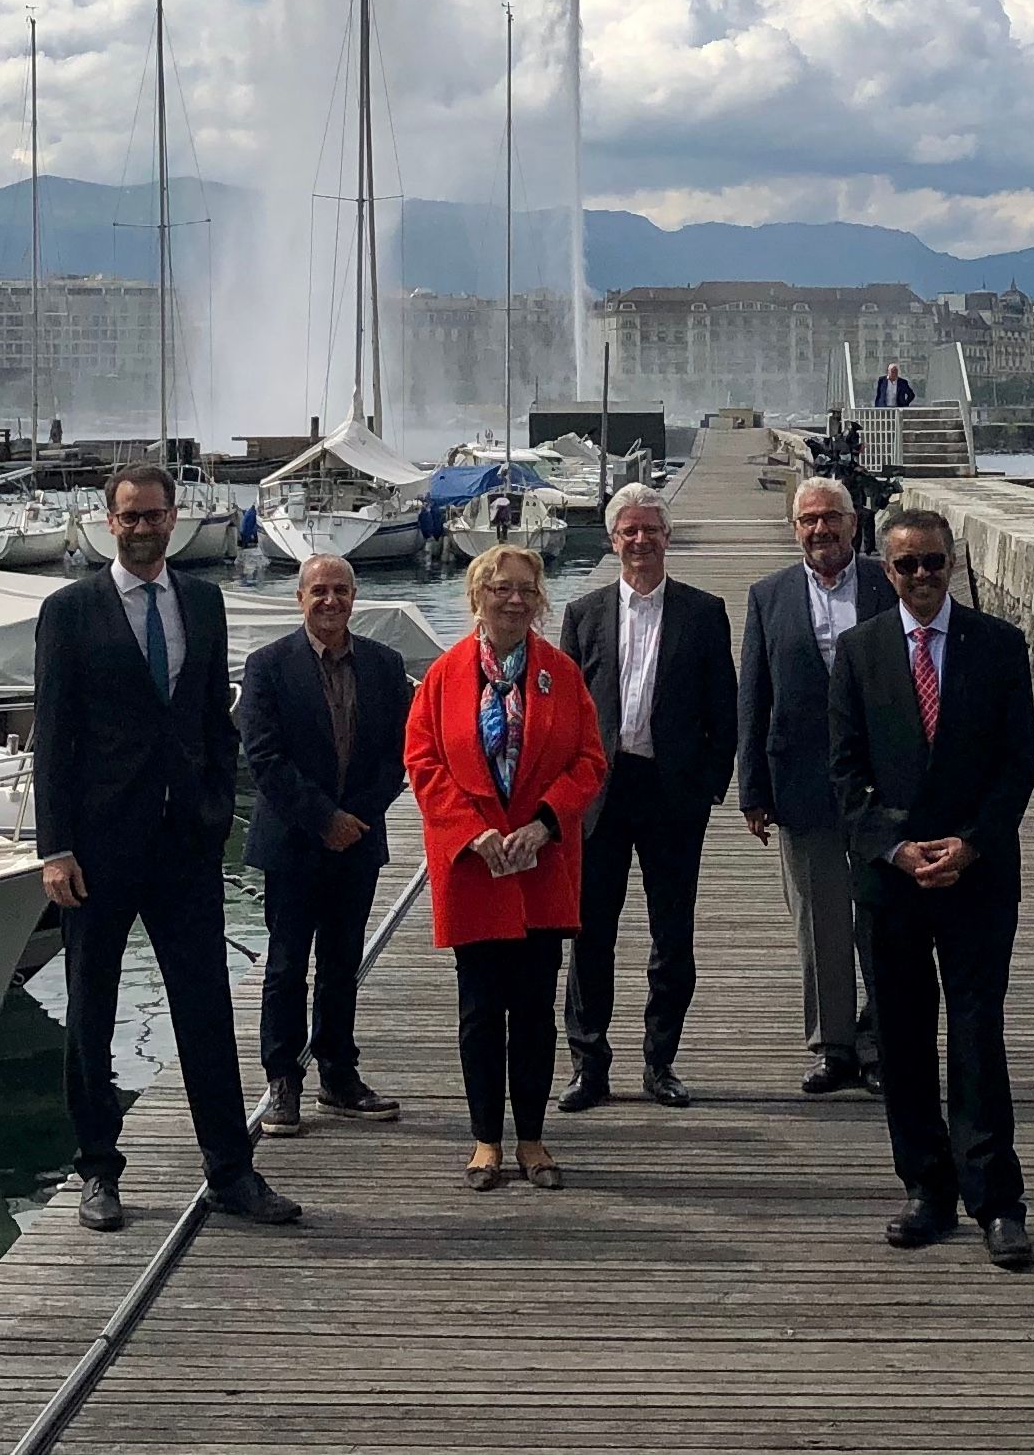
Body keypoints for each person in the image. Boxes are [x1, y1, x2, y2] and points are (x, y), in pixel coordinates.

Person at [32, 462, 300, 1233]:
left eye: (156, 514)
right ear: (107, 520)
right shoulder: (70, 610)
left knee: (206, 1008)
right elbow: (52, 737)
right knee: (92, 1009)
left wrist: (218, 801)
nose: (145, 527)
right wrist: (55, 849)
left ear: (175, 517)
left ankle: (230, 1170)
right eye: (131, 516)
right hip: (97, 847)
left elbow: (214, 714)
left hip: (185, 840)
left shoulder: (204, 601)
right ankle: (98, 1170)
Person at [829, 503, 1034, 1272]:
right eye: (907, 564)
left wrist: (972, 843)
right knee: (905, 1038)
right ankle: (926, 1187)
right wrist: (895, 848)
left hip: (977, 876)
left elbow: (1018, 765)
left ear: (953, 562)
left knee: (979, 1035)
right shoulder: (858, 651)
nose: (922, 575)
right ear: (887, 570)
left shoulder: (999, 646)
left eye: (934, 561)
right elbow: (844, 773)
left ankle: (997, 1199)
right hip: (891, 880)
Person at [406, 542, 605, 1192]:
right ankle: (486, 1138)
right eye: (500, 588)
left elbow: (589, 761)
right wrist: (473, 832)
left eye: (525, 588)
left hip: (540, 863)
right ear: (477, 596)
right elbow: (423, 760)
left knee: (536, 1010)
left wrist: (545, 822)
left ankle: (533, 1138)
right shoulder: (444, 675)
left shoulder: (562, 673)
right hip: (475, 869)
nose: (514, 599)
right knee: (480, 1010)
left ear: (539, 598)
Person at [559, 480, 738, 1111]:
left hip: (671, 793)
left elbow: (726, 710)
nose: (640, 540)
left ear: (667, 537)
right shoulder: (582, 615)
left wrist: (707, 788)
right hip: (601, 794)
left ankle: (660, 1062)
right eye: (629, 531)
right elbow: (566, 716)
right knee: (589, 932)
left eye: (651, 530)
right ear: (614, 541)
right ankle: (588, 1062)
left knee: (672, 935)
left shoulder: (702, 612)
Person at [239, 553, 413, 1138]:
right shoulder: (266, 666)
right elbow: (264, 758)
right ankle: (282, 1079)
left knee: (342, 962)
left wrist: (355, 818)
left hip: (358, 839)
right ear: (300, 597)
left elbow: (401, 755)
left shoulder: (386, 667)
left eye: (340, 590)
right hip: (293, 840)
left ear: (354, 596)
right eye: (319, 591)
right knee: (287, 964)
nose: (330, 601)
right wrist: (323, 818)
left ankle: (339, 1074)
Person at [738, 472, 898, 1092]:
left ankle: (882, 1041)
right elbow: (755, 696)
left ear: (854, 524)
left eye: (831, 518)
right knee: (820, 922)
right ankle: (834, 1046)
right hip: (800, 782)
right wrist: (752, 788)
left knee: (881, 919)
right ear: (794, 528)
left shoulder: (890, 582)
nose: (820, 530)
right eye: (807, 520)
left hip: (881, 784)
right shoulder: (768, 596)